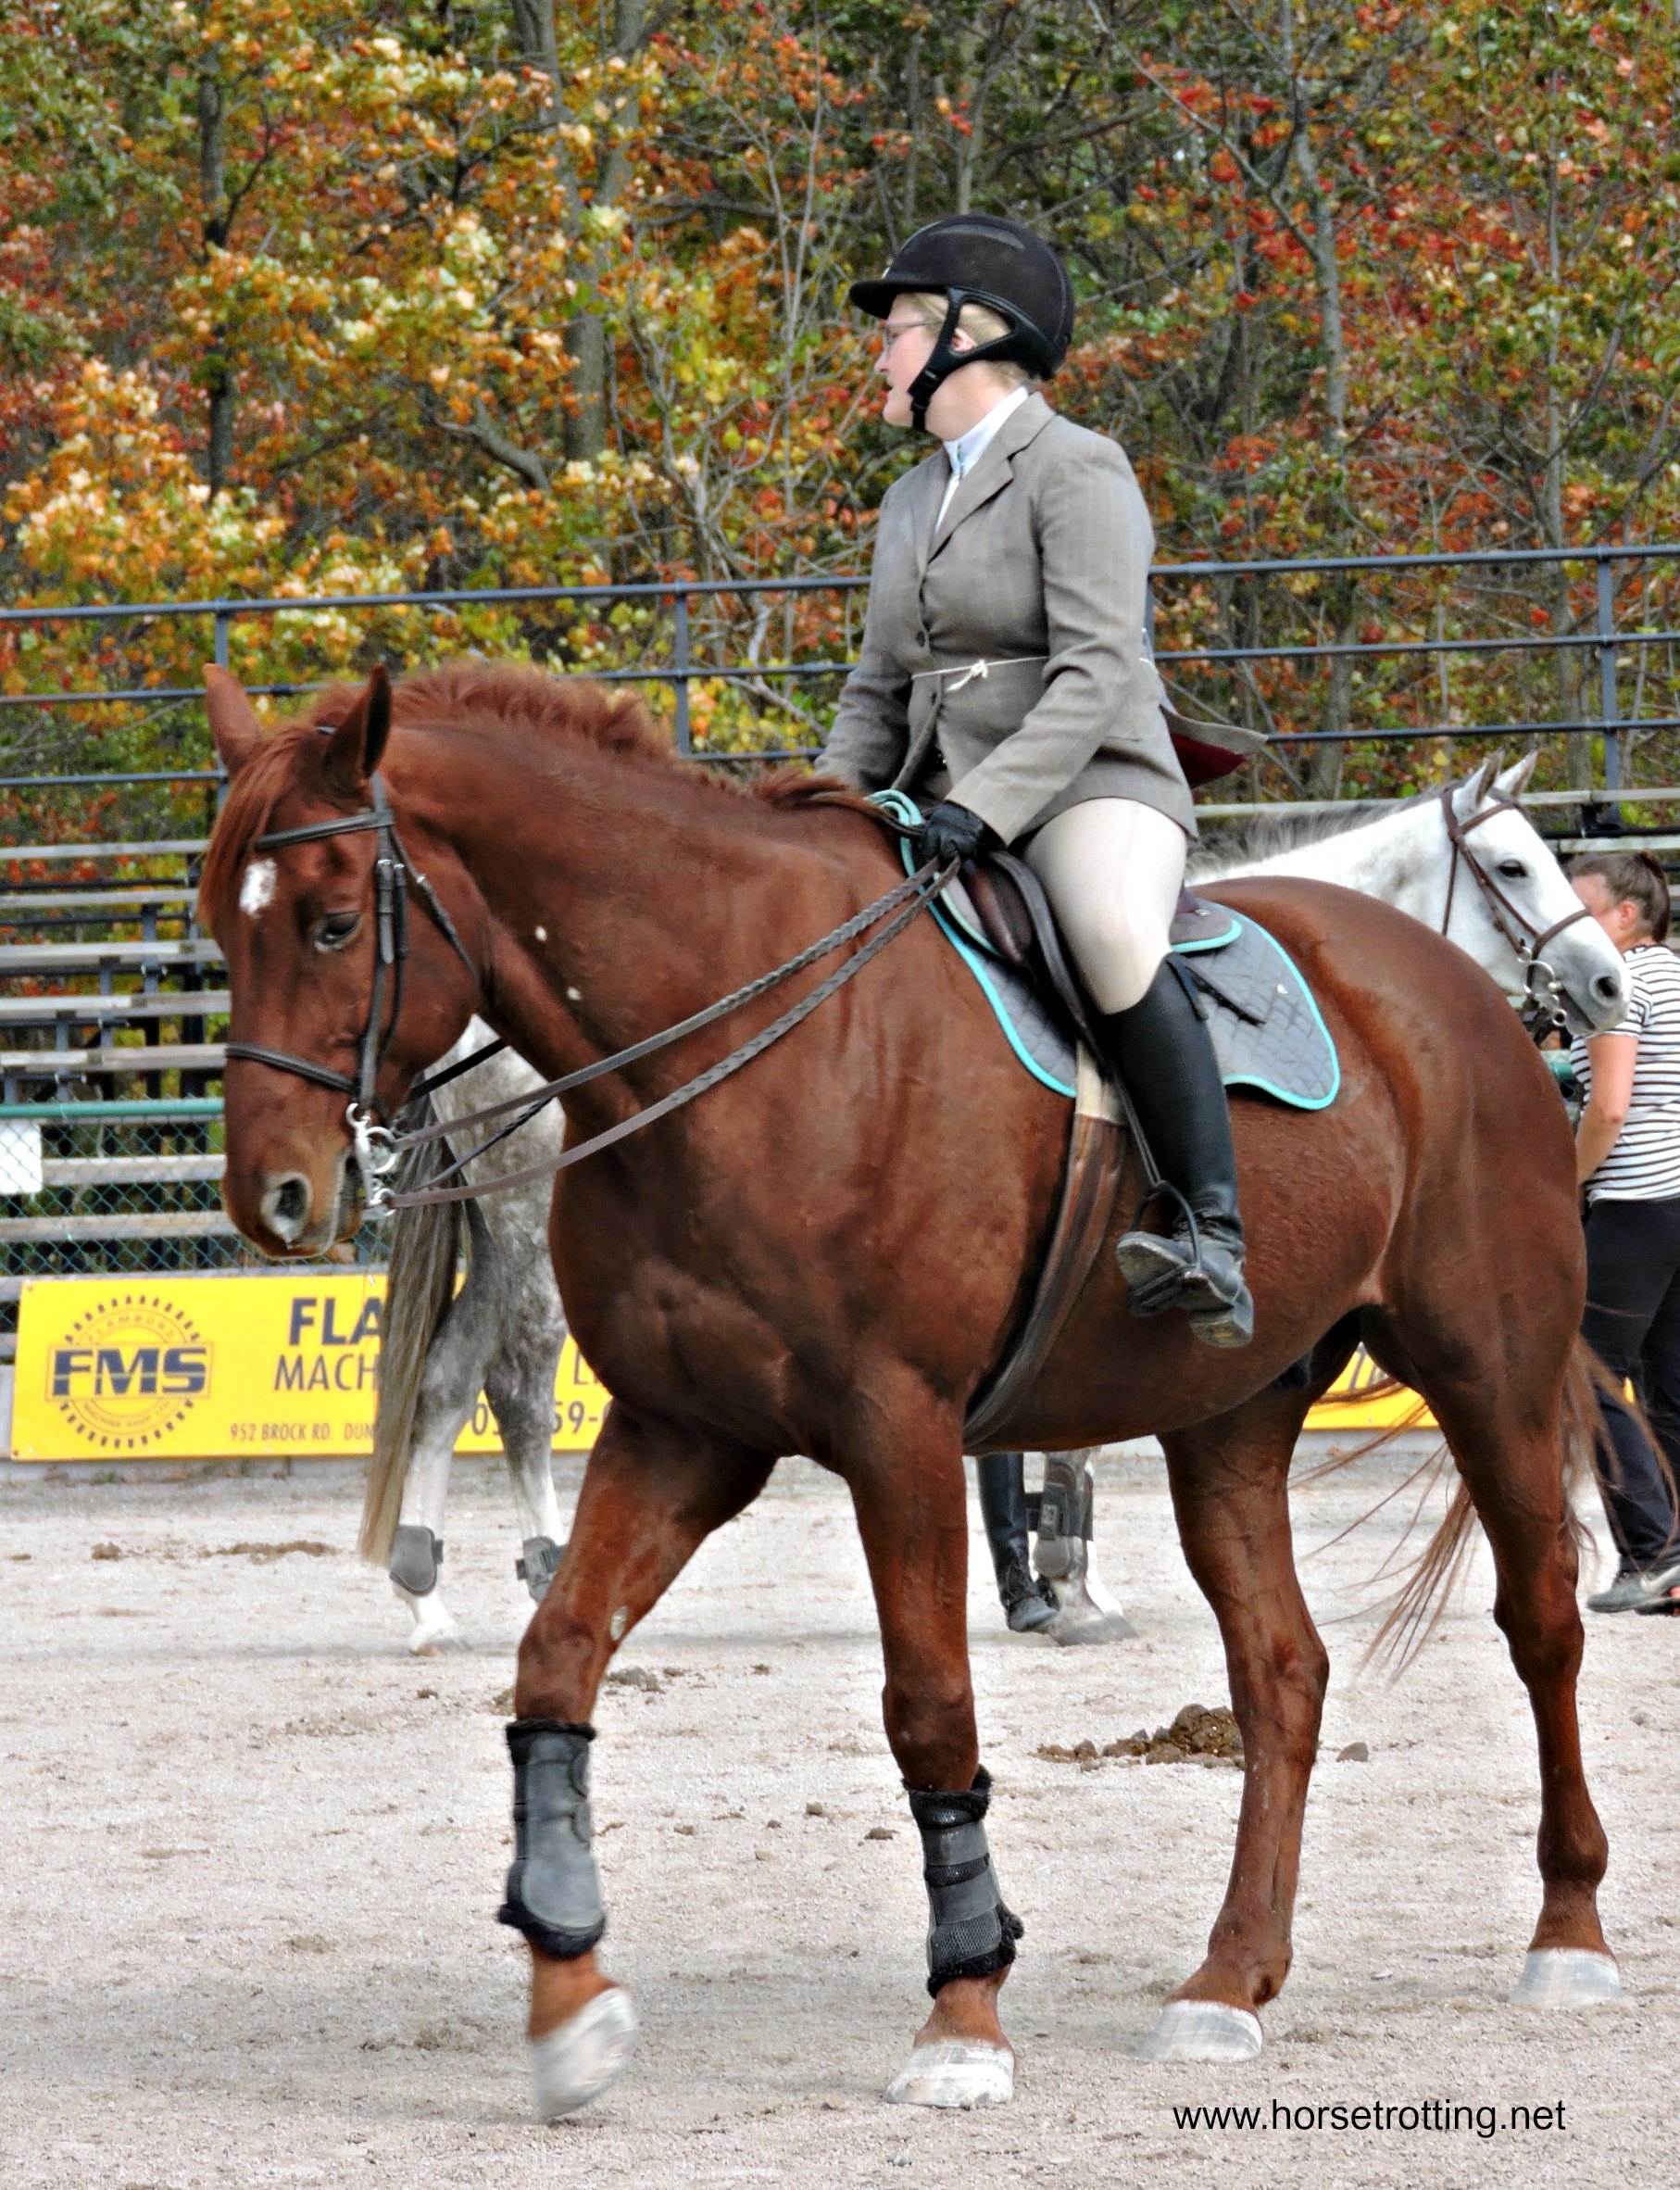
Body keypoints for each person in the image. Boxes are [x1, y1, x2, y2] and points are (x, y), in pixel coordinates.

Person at [820, 213, 1251, 1345]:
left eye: (899, 330)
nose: (880, 354)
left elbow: (1100, 667)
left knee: (1108, 928)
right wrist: (818, 810)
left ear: (974, 335)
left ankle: (1212, 1229)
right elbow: (875, 687)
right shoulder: (910, 499)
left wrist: (986, 805)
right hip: (935, 786)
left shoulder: (1078, 467)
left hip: (1087, 785)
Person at [1568, 849, 1680, 1613]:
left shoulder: (1618, 981)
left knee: (1586, 1374)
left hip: (1638, 1197)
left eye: (1582, 910)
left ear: (1626, 914)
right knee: (1672, 1388)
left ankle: (1650, 1554)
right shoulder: (1673, 975)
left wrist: (1566, 1179)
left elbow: (1609, 1108)